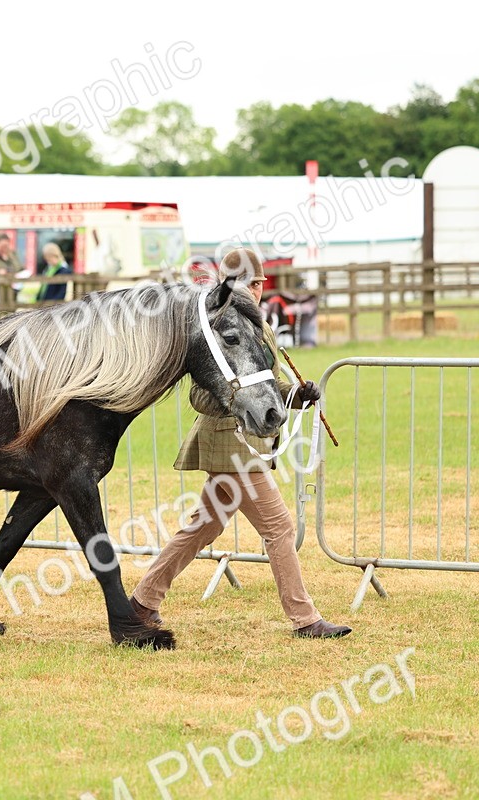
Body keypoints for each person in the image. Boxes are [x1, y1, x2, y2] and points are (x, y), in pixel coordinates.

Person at [130, 248, 352, 640]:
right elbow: (199, 397)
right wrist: (236, 402)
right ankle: (305, 620)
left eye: (257, 284)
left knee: (202, 529)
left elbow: (264, 388)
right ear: (230, 286)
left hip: (246, 448)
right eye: (248, 284)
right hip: (230, 447)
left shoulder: (256, 326)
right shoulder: (216, 326)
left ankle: (142, 602)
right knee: (280, 527)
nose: (256, 290)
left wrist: (298, 395)